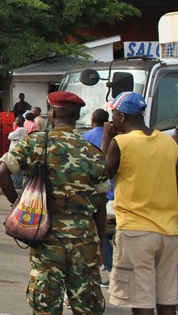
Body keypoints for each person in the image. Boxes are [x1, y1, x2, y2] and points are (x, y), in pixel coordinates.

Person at [0, 91, 108, 315]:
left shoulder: (36, 142)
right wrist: (99, 242)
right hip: (84, 238)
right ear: (77, 116)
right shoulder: (93, 153)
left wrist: (18, 205)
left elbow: (1, 173)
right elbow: (101, 206)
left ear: (53, 113)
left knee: (46, 304)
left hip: (46, 235)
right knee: (87, 305)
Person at [100, 92, 178, 314]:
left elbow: (100, 175)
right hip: (169, 232)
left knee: (141, 300)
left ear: (122, 117)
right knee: (167, 299)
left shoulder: (121, 142)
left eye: (113, 114)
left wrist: (106, 138)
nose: (112, 119)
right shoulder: (169, 143)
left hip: (136, 231)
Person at [81, 108, 115, 276]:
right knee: (109, 231)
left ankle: (108, 264)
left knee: (99, 231)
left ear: (92, 118)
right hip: (114, 191)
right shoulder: (116, 137)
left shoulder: (85, 138)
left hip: (95, 192)